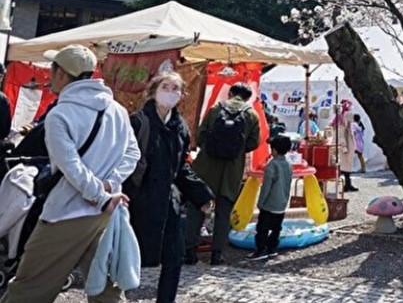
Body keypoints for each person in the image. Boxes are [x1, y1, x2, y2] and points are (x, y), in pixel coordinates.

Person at [0, 44, 140, 303]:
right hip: (106, 214)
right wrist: (109, 186)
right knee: (106, 292)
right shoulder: (118, 110)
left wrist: (100, 195)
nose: (49, 77)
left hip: (68, 212)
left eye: (52, 70)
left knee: (28, 289)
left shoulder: (61, 114)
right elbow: (132, 154)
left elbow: (71, 166)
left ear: (62, 74)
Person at [125, 72, 213, 303]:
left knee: (174, 258)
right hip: (138, 201)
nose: (170, 92)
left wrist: (200, 194)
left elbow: (181, 166)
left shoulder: (180, 126)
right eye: (166, 86)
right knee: (126, 257)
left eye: (176, 88)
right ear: (153, 90)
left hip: (168, 202)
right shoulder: (138, 121)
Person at [186, 83, 262, 265]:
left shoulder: (215, 109)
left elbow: (200, 134)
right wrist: (237, 150)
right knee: (223, 211)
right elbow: (254, 143)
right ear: (248, 97)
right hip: (231, 169)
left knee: (196, 208)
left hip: (205, 166)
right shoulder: (252, 114)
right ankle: (216, 254)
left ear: (230, 94)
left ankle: (189, 252)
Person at [249, 135, 294, 260]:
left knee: (262, 229)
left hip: (269, 204)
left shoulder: (271, 165)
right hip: (282, 203)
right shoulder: (289, 164)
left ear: (274, 150)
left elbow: (266, 187)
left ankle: (260, 250)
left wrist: (260, 202)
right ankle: (272, 249)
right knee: (276, 229)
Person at [334, 99, 359, 192]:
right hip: (345, 147)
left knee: (346, 166)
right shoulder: (342, 121)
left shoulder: (347, 123)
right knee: (344, 166)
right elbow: (341, 134)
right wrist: (344, 146)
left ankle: (347, 184)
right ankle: (346, 184)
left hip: (348, 146)